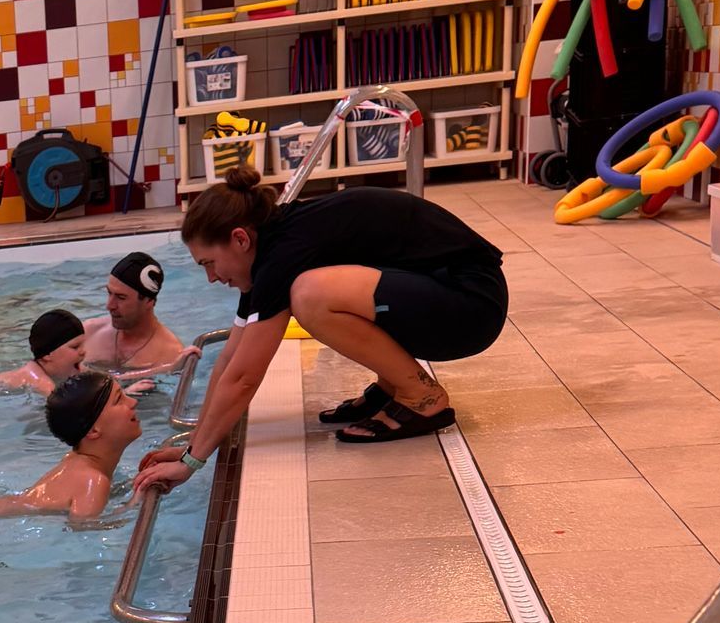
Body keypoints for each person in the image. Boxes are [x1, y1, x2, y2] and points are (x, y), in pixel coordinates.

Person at [134, 172, 509, 492]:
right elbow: (231, 359)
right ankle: (392, 386)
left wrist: (191, 464)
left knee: (311, 295)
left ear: (240, 239)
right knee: (315, 290)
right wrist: (195, 439)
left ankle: (421, 399)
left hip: (471, 305)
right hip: (446, 294)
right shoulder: (273, 248)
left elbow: (246, 377)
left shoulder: (283, 255)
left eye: (209, 263)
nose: (212, 277)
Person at [0, 369, 144, 539]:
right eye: (120, 400)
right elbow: (83, 530)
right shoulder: (94, 479)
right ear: (93, 430)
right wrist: (137, 500)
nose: (132, 403)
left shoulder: (77, 462)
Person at [82, 254, 190, 375]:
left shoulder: (171, 354)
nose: (109, 305)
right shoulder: (87, 333)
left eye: (121, 297)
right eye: (109, 293)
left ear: (148, 301)